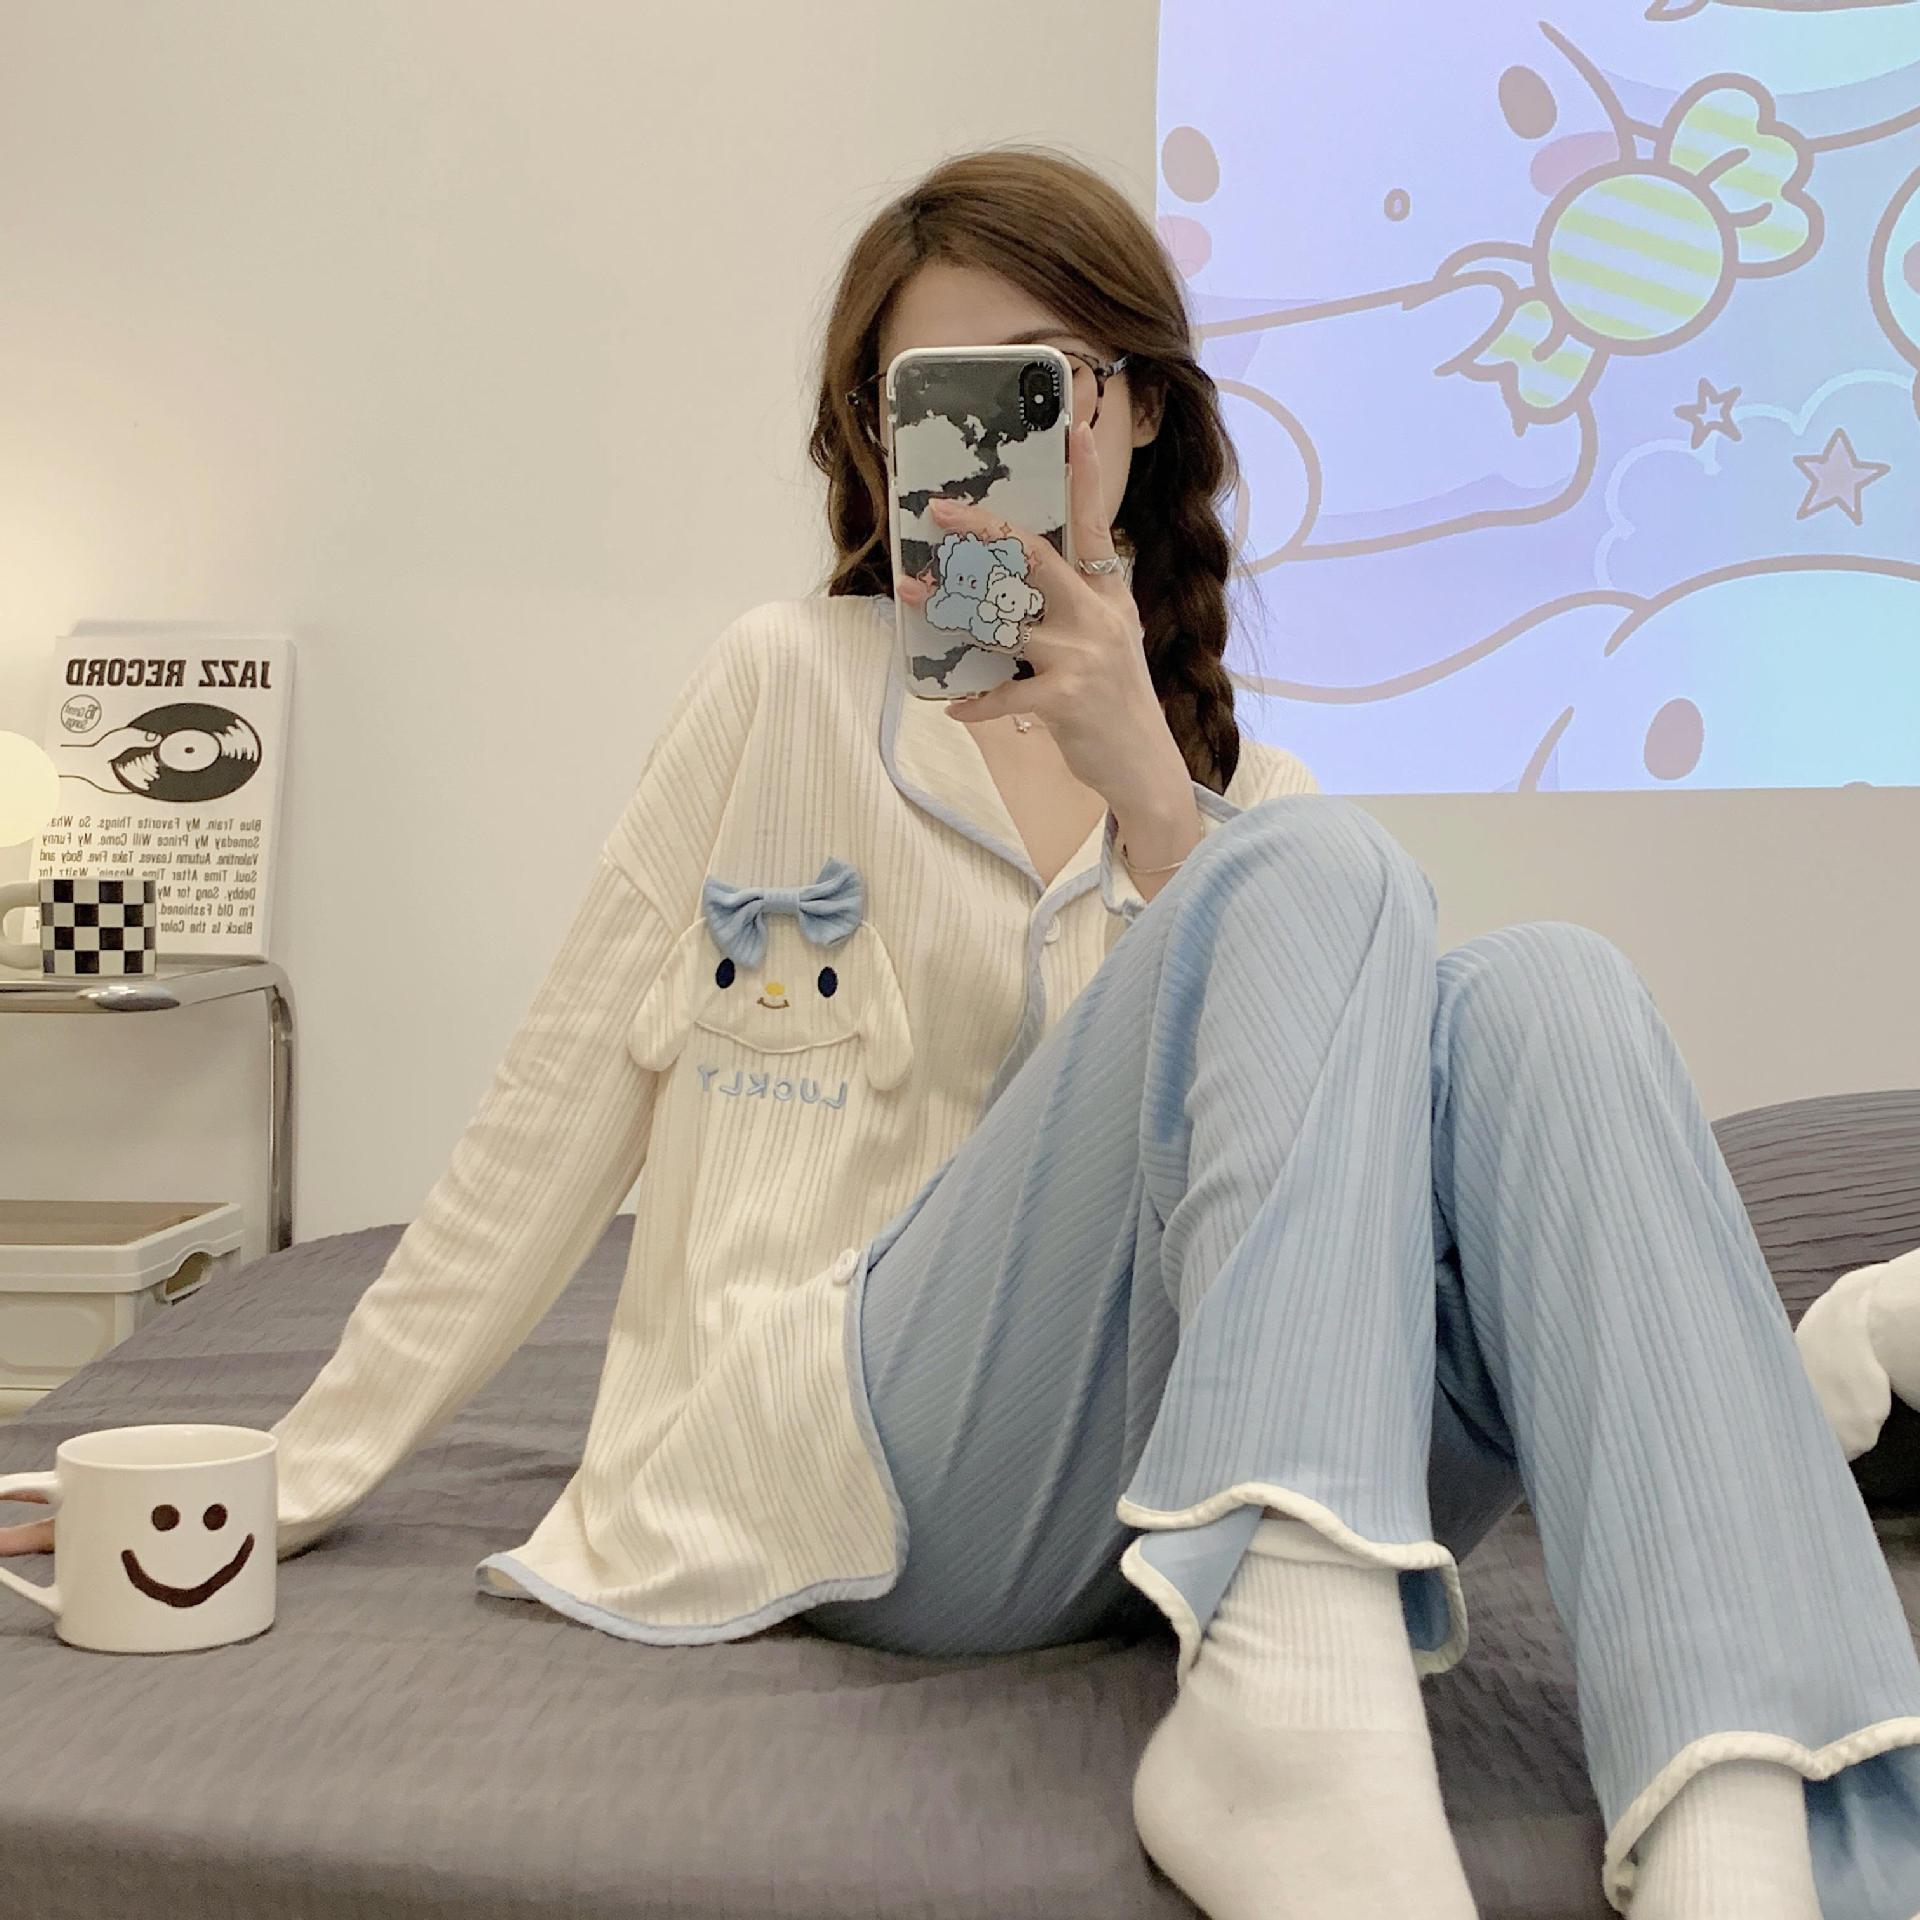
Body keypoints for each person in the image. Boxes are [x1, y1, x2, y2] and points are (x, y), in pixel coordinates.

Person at [8, 144, 1920, 1920]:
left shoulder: (1247, 813)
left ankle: (1735, 1811)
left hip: (1165, 1489)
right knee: (1324, 874)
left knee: (1553, 985)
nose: (991, 446)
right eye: (933, 399)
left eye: (1046, 383)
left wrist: (1156, 803)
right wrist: (300, 1463)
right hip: (861, 1445)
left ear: (1141, 411)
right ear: (876, 436)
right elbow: (555, 1105)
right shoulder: (789, 690)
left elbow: (1295, 1215)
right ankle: (1295, 1698)